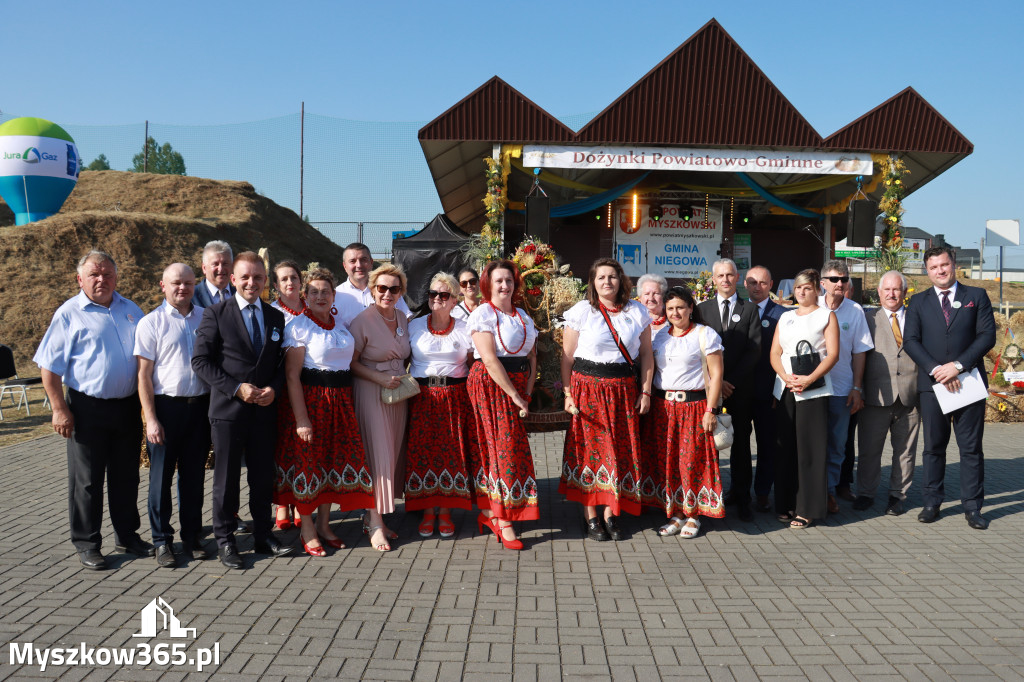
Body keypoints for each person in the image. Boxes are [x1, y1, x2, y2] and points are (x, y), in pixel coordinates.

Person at [35, 250, 152, 570]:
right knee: (87, 481)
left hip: (127, 407)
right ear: (80, 279)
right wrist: (59, 409)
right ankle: (87, 543)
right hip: (87, 409)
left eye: (108, 274)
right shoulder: (68, 314)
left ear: (116, 277)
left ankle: (127, 535)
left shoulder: (131, 310)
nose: (102, 280)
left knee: (126, 477)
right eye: (94, 275)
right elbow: (49, 369)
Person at [191, 251, 294, 569]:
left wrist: (274, 389)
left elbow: (280, 364)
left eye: (258, 277)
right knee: (226, 480)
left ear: (266, 281)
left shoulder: (275, 316)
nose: (252, 282)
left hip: (264, 412)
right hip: (229, 412)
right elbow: (200, 362)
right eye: (245, 277)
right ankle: (225, 541)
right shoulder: (215, 313)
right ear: (233, 279)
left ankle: (263, 535)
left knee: (263, 478)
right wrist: (237, 388)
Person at [275, 268, 374, 556]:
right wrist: (302, 418)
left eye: (325, 291)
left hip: (341, 403)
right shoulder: (298, 327)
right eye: (314, 292)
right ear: (305, 296)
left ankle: (325, 524)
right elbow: (293, 377)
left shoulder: (341, 324)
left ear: (333, 296)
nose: (320, 296)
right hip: (312, 401)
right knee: (310, 464)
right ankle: (307, 528)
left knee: (331, 464)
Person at [560, 258, 653, 541]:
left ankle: (612, 513)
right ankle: (590, 516)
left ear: (621, 280)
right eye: (601, 277)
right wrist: (567, 393)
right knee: (590, 452)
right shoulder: (582, 311)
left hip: (623, 389)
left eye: (612, 277)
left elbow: (647, 355)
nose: (607, 282)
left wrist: (646, 390)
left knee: (619, 451)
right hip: (587, 389)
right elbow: (567, 357)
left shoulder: (638, 311)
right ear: (593, 281)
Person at [904, 246, 996, 529]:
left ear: (953, 265)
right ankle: (931, 503)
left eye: (944, 265)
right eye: (933, 268)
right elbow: (911, 341)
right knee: (933, 447)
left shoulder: (976, 296)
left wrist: (957, 366)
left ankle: (972, 507)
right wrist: (937, 370)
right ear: (926, 271)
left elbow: (986, 336)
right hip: (933, 387)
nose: (940, 271)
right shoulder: (918, 302)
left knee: (970, 449)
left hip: (968, 383)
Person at [135, 263, 213, 568]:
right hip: (166, 409)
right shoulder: (150, 323)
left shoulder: (206, 318)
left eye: (189, 283)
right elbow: (143, 375)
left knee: (193, 479)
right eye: (176, 283)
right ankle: (161, 541)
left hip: (200, 409)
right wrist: (150, 419)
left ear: (196, 285)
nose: (183, 288)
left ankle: (192, 537)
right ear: (162, 285)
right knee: (160, 480)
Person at [467, 260, 538, 550]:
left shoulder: (522, 315)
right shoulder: (483, 314)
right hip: (492, 385)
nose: (504, 286)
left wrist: (528, 392)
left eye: (508, 280)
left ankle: (490, 512)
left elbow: (532, 357)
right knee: (501, 448)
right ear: (488, 284)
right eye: (498, 281)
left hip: (517, 387)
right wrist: (514, 394)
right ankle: (502, 518)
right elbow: (489, 359)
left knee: (508, 448)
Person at [643, 286, 724, 539]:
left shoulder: (704, 334)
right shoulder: (659, 337)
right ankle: (676, 513)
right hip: (663, 408)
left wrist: (711, 410)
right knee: (669, 463)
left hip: (694, 407)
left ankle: (693, 514)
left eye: (680, 307)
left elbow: (717, 373)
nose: (675, 313)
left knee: (691, 462)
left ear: (691, 308)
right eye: (670, 308)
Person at [405, 272, 475, 537]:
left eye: (443, 295)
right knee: (422, 453)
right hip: (421, 396)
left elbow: (471, 364)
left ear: (454, 299)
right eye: (433, 294)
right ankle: (426, 510)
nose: (437, 299)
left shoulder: (465, 327)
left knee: (451, 452)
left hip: (455, 395)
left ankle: (445, 510)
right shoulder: (414, 325)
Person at [349, 263, 412, 552]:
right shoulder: (363, 320)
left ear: (401, 292)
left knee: (393, 452)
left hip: (398, 394)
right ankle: (374, 523)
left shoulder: (402, 316)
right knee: (378, 455)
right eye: (382, 288)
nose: (387, 293)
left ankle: (377, 518)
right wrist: (379, 377)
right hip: (372, 390)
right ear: (373, 289)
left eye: (394, 288)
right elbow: (351, 362)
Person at [770, 268, 840, 529]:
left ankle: (807, 508)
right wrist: (785, 377)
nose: (801, 292)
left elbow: (832, 354)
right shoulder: (785, 317)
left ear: (817, 290)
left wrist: (809, 379)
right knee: (785, 448)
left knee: (810, 451)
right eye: (798, 287)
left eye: (807, 288)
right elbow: (775, 354)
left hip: (814, 390)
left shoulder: (826, 316)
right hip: (786, 388)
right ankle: (786, 503)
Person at [696, 258, 760, 521]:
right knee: (708, 444)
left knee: (741, 445)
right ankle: (707, 495)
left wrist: (729, 382)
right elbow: (697, 350)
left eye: (730, 275)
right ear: (713, 280)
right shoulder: (701, 310)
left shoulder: (750, 310)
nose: (725, 279)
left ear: (737, 278)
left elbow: (754, 350)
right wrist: (716, 381)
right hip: (710, 389)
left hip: (740, 390)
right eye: (720, 275)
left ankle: (742, 497)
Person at [856, 270, 921, 515]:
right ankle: (865, 493)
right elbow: (858, 356)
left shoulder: (917, 318)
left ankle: (898, 496)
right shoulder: (868, 319)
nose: (892, 294)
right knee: (869, 450)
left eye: (896, 289)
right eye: (887, 290)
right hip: (875, 396)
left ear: (904, 293)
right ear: (879, 293)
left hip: (910, 396)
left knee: (905, 451)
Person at [818, 260, 873, 513]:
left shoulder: (855, 310)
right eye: (834, 279)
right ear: (822, 283)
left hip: (841, 390)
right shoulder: (810, 307)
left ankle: (829, 492)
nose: (840, 283)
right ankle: (811, 491)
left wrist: (857, 387)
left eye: (843, 279)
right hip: (812, 390)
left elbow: (860, 352)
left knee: (837, 446)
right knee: (813, 442)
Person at [744, 265, 785, 513]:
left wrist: (778, 392)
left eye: (762, 283)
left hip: (768, 392)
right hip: (738, 391)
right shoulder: (737, 311)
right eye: (752, 282)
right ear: (745, 285)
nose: (756, 287)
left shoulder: (783, 315)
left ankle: (762, 493)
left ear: (771, 285)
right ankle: (739, 490)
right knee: (739, 446)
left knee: (767, 445)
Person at [269, 259, 305, 530]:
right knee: (282, 447)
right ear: (276, 285)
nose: (290, 282)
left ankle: (302, 500)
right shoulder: (271, 313)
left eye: (293, 277)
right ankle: (283, 502)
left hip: (309, 388)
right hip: (281, 389)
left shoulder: (312, 310)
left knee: (302, 449)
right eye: (284, 279)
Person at [335, 242, 411, 328]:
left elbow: (406, 321)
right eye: (352, 261)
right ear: (345, 266)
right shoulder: (335, 296)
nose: (359, 265)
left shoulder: (389, 291)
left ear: (371, 262)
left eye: (363, 260)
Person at [192, 240, 235, 308]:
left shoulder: (241, 296)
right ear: (204, 268)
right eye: (215, 264)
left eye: (225, 264)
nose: (220, 269)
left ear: (232, 266)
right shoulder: (191, 296)